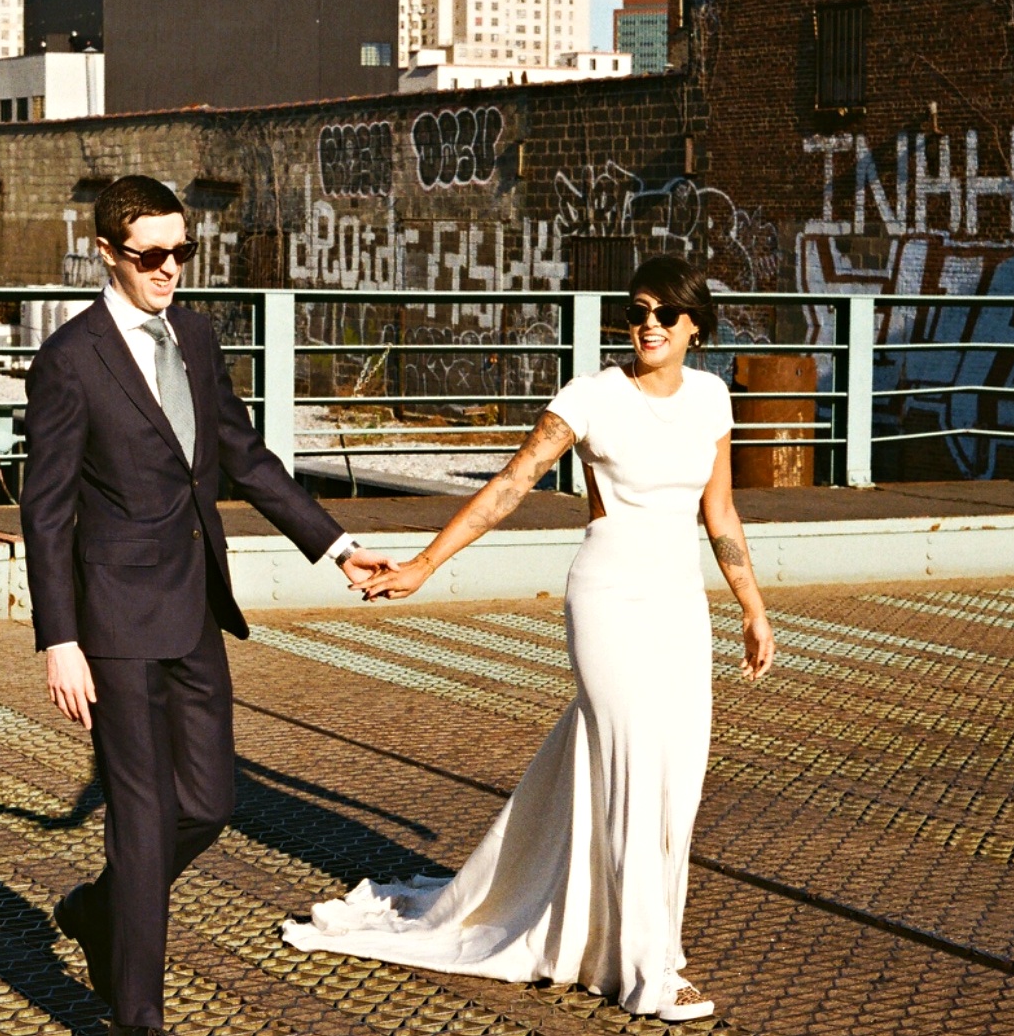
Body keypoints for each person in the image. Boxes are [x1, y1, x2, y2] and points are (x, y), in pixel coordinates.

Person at [284, 255, 777, 1024]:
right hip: (610, 595)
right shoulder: (592, 396)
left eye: (664, 314)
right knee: (632, 770)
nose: (646, 324)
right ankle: (649, 973)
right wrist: (423, 564)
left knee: (676, 779)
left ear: (693, 329)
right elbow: (511, 484)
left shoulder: (713, 399)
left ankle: (624, 937)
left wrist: (752, 607)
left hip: (680, 601)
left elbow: (720, 515)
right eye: (637, 309)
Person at [20, 175, 395, 1036]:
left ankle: (102, 911)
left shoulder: (194, 333)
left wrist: (334, 546)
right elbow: (44, 512)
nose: (171, 270)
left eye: (182, 252)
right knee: (143, 819)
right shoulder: (70, 361)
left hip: (193, 609)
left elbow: (241, 451)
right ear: (110, 254)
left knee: (212, 803)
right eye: (153, 256)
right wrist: (59, 640)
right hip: (111, 623)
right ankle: (136, 1015)